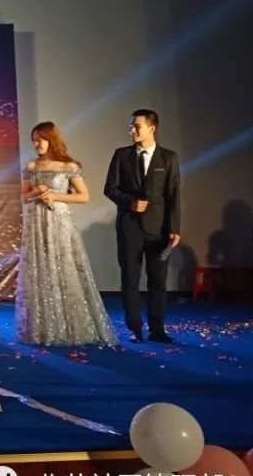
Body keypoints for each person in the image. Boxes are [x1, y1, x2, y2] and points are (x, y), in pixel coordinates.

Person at [17, 122, 117, 346]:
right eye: (34, 140)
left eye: (40, 139)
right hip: (36, 223)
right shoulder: (31, 166)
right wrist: (36, 192)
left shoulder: (68, 166)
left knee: (63, 267)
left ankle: (70, 326)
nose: (36, 144)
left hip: (59, 221)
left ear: (51, 139)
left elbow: (83, 196)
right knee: (40, 270)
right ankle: (43, 328)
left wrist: (55, 195)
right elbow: (23, 197)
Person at [104, 109, 181, 343]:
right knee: (130, 279)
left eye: (137, 126)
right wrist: (130, 202)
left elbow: (173, 195)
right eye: (131, 126)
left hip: (159, 229)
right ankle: (135, 328)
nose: (132, 130)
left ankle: (157, 329)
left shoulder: (168, 157)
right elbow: (110, 188)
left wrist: (174, 229)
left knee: (158, 280)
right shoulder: (122, 155)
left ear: (152, 128)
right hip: (129, 227)